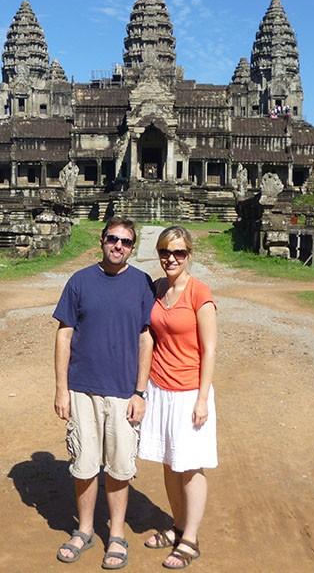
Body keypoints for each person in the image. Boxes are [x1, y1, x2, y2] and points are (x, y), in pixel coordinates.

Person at [52, 216, 155, 569]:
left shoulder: (141, 284)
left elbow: (146, 338)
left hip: (124, 391)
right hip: (83, 388)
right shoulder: (80, 281)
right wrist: (61, 389)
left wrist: (141, 392)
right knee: (83, 464)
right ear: (102, 240)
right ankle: (83, 529)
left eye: (126, 242)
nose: (118, 247)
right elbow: (64, 335)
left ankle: (116, 533)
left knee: (120, 466)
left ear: (132, 247)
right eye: (113, 239)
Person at [138, 226, 217, 570]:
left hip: (189, 391)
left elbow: (210, 349)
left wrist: (202, 398)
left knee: (190, 465)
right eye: (165, 253)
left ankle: (191, 539)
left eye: (179, 253)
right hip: (160, 387)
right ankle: (179, 525)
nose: (171, 259)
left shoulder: (200, 293)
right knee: (169, 461)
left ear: (189, 255)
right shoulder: (156, 289)